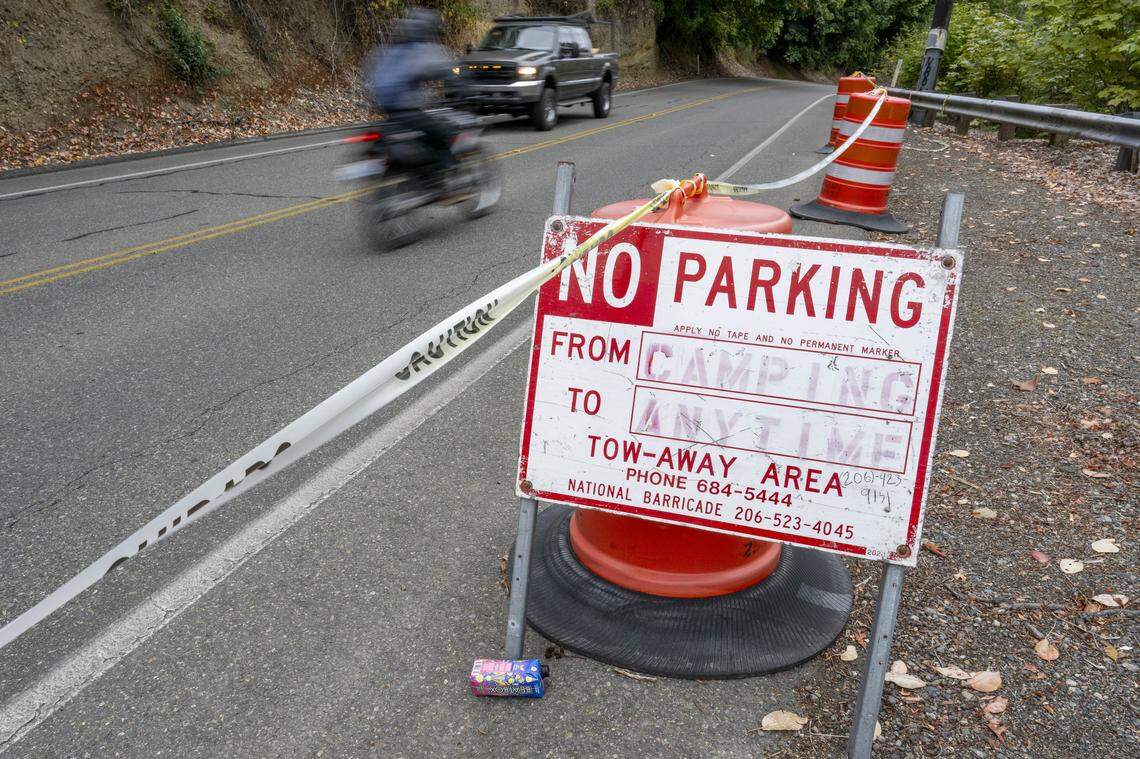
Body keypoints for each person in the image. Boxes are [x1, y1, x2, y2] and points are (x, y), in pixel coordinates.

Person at [365, 8, 459, 180]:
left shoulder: (388, 49)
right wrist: (456, 74)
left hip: (386, 109)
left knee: (417, 135)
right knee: (443, 132)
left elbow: (371, 70)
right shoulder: (419, 49)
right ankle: (440, 174)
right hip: (407, 109)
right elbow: (439, 68)